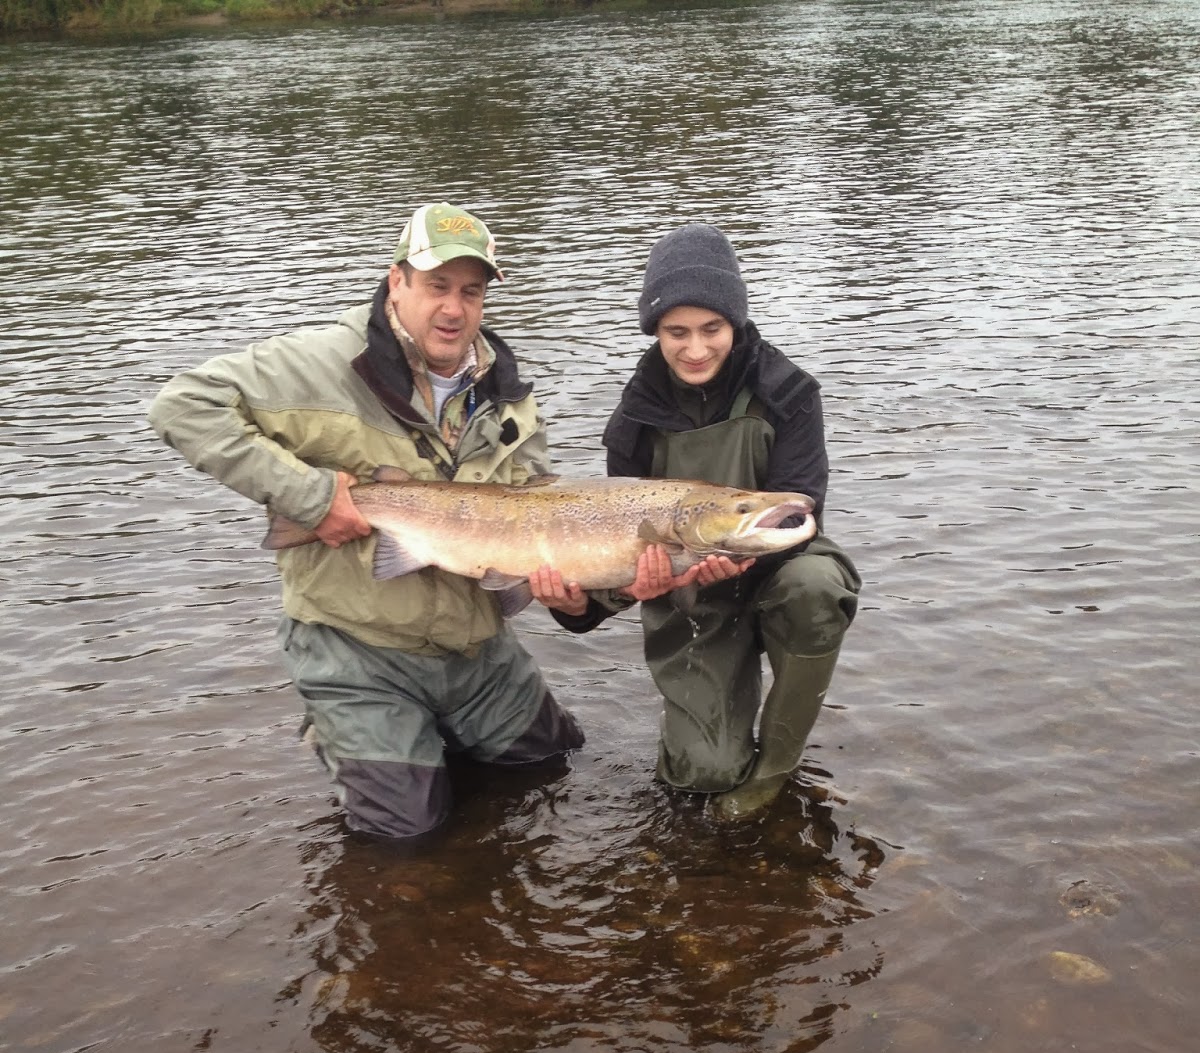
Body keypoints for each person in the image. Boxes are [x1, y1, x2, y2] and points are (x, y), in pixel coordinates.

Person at [148, 202, 583, 842]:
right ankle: (341, 729)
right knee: (406, 835)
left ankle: (440, 737)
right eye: (436, 286)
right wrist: (313, 497)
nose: (454, 309)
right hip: (358, 652)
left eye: (471, 291)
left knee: (553, 766)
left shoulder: (507, 393)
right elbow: (184, 405)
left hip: (476, 651)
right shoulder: (318, 364)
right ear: (396, 281)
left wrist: (567, 587)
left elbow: (539, 516)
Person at [534, 223, 861, 821]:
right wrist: (581, 603)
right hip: (689, 600)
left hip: (779, 571)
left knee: (817, 588)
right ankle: (723, 750)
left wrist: (736, 558)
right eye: (675, 331)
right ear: (654, 332)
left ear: (734, 324)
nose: (695, 349)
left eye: (711, 329)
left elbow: (801, 514)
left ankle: (777, 767)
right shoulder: (633, 421)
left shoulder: (789, 393)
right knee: (700, 780)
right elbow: (616, 564)